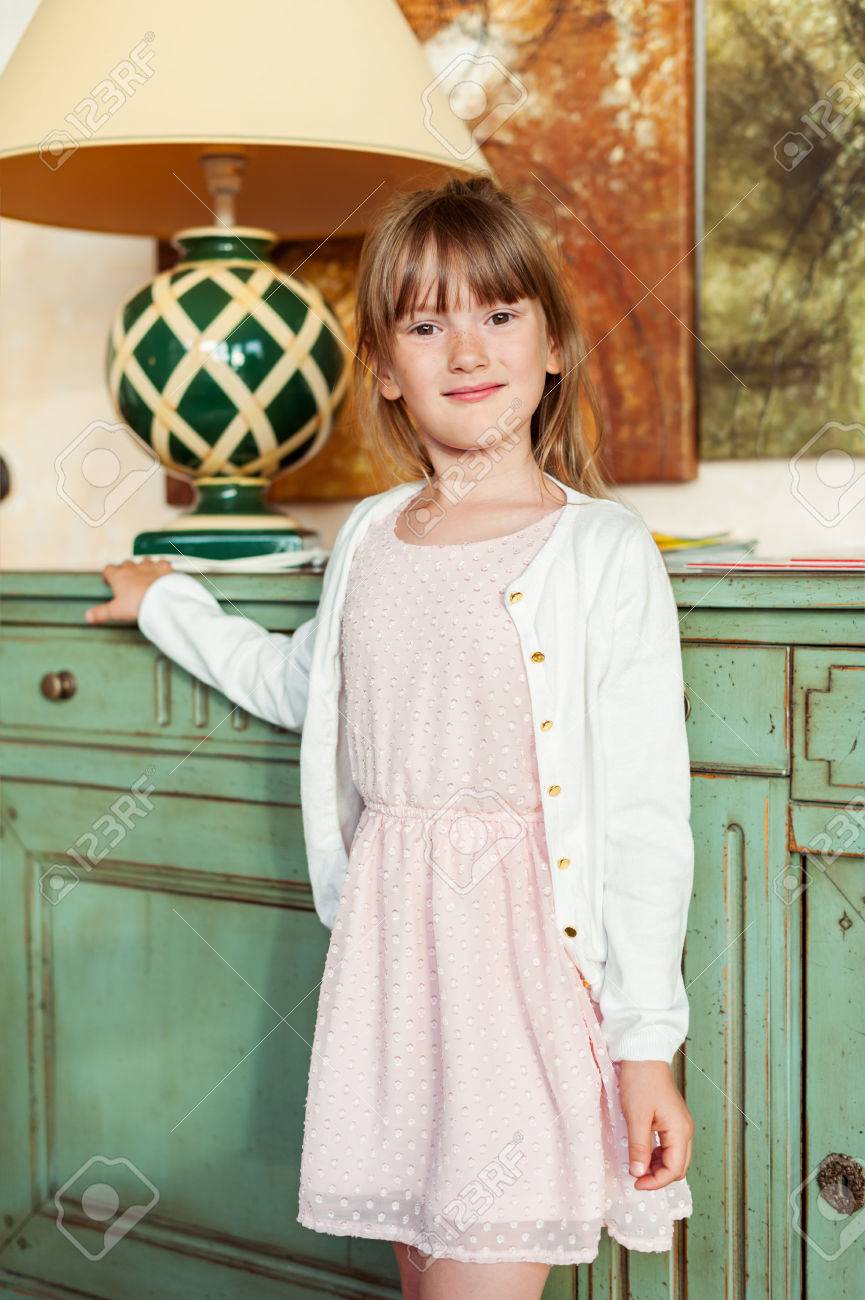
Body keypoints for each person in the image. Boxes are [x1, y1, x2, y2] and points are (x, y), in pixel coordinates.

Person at [86, 175, 695, 1300]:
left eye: (499, 314)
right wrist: (166, 602)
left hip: (521, 983)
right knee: (423, 1279)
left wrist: (644, 1045)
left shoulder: (602, 551)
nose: (466, 347)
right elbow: (302, 683)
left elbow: (649, 813)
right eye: (425, 323)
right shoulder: (370, 534)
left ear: (553, 342)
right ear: (381, 364)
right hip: (391, 971)